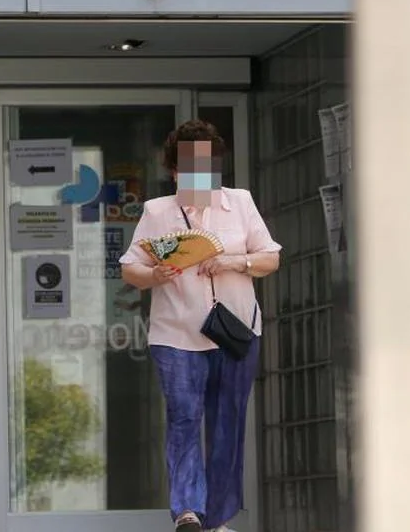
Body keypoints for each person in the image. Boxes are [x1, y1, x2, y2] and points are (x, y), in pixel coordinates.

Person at [120, 120, 281, 532]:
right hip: (176, 334)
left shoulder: (240, 202)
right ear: (174, 172)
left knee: (228, 420)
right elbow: (130, 268)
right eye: (189, 168)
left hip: (235, 330)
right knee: (184, 416)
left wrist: (232, 261)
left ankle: (218, 517)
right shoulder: (158, 212)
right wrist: (155, 275)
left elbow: (270, 258)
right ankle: (189, 512)